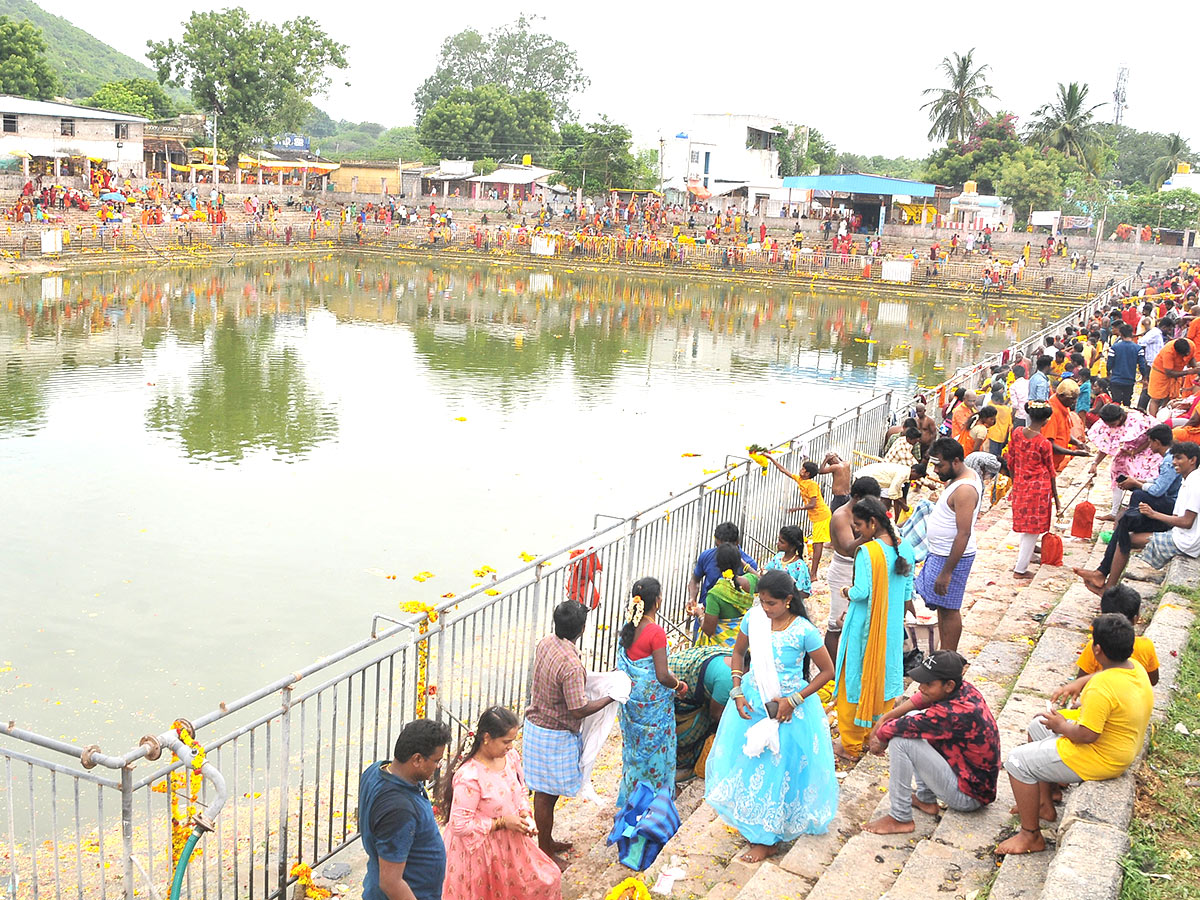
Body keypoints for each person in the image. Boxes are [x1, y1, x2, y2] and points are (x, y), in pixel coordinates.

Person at [704, 569, 839, 862]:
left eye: (771, 604)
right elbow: (738, 654)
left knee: (779, 768)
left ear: (788, 600)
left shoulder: (803, 630)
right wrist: (737, 690)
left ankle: (768, 838)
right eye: (762, 602)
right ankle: (757, 826)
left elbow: (827, 671)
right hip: (754, 699)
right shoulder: (754, 618)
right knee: (752, 762)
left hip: (789, 707)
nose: (765, 608)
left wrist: (794, 700)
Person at [996, 614, 1154, 855]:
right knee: (1038, 724)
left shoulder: (1101, 688)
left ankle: (1030, 835)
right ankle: (1044, 802)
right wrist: (1078, 685)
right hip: (1120, 743)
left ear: (1097, 649)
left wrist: (1061, 726)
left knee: (1016, 762)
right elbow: (1107, 676)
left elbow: (1087, 734)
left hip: (1102, 757)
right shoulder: (1136, 667)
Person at [863, 650, 1000, 834]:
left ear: (949, 685)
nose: (921, 688)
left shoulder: (952, 714)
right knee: (910, 717)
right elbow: (919, 701)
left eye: (928, 684)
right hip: (968, 779)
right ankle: (926, 800)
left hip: (968, 796)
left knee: (900, 741)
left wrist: (880, 737)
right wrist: (886, 716)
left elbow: (896, 729)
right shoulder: (965, 689)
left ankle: (900, 817)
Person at [524, 601, 617, 858]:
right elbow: (578, 709)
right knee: (546, 795)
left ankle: (546, 840)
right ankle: (544, 849)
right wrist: (610, 697)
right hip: (554, 732)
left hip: (537, 725)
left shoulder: (546, 643)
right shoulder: (572, 665)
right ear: (582, 629)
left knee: (545, 794)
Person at [440, 707, 560, 900]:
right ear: (486, 738)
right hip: (480, 853)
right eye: (506, 741)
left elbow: (520, 789)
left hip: (511, 844)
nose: (511, 746)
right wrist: (502, 822)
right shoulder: (469, 777)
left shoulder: (510, 758)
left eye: (512, 740)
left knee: (547, 880)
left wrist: (524, 814)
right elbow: (460, 825)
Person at [832, 497, 915, 760]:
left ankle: (851, 744)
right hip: (890, 626)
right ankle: (874, 735)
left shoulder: (868, 552)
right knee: (884, 677)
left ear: (873, 522)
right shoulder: (907, 549)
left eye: (859, 525)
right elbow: (907, 591)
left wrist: (844, 590)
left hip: (864, 626)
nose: (857, 530)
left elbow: (861, 592)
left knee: (853, 678)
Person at [1080, 441, 1200, 593]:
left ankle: (1108, 585)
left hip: (1186, 540)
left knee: (1125, 539)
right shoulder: (1187, 480)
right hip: (1178, 531)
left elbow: (1187, 522)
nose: (1174, 462)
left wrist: (1153, 514)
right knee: (1125, 525)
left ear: (1192, 460)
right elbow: (1177, 516)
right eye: (1174, 458)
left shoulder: (1195, 484)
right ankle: (1103, 577)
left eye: (1179, 458)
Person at [358, 719, 452, 900]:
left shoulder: (377, 769)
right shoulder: (399, 810)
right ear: (416, 759)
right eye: (436, 760)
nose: (438, 766)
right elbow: (391, 883)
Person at [617, 577, 687, 807]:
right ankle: (655, 801)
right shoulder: (655, 632)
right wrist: (680, 686)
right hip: (654, 707)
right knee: (657, 751)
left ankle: (633, 795)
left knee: (635, 750)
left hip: (633, 705)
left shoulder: (629, 629)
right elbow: (662, 675)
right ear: (657, 602)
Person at [915, 439, 981, 652]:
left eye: (940, 465)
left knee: (950, 609)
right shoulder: (956, 478)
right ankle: (943, 653)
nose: (936, 470)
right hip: (940, 553)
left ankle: (950, 657)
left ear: (955, 462)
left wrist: (947, 572)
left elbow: (964, 532)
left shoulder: (965, 490)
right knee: (943, 608)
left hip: (951, 557)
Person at [1061, 585, 1159, 695]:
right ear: (1136, 618)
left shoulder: (1095, 647)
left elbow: (1081, 684)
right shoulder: (1146, 646)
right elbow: (1153, 680)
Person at [825, 476, 882, 661]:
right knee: (837, 622)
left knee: (858, 620)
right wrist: (867, 533)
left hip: (860, 569)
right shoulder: (842, 516)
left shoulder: (861, 513)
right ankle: (833, 671)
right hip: (843, 570)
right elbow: (849, 548)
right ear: (856, 496)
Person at [1006, 402, 1063, 578]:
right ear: (1046, 421)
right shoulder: (1043, 443)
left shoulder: (1016, 434)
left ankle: (1028, 556)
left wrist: (1015, 481)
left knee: (1026, 526)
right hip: (1039, 490)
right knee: (1033, 529)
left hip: (1021, 485)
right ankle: (1020, 569)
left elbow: (1011, 460)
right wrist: (1056, 498)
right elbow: (1051, 471)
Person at [1087, 403, 1162, 520]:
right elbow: (1106, 445)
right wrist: (1095, 463)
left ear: (1120, 418)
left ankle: (1142, 508)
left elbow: (1150, 438)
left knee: (1139, 474)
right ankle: (1114, 512)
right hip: (1130, 449)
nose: (1111, 428)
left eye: (1112, 424)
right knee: (1117, 470)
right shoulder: (1109, 426)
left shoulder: (1138, 420)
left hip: (1149, 449)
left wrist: (1136, 451)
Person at [688, 542, 758, 646]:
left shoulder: (715, 594)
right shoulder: (750, 581)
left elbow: (709, 630)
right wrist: (745, 565)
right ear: (739, 563)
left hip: (720, 647)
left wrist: (700, 614)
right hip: (743, 644)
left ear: (718, 565)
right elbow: (761, 579)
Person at [771, 457, 832, 574]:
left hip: (821, 516)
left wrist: (797, 509)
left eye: (803, 469)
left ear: (807, 473)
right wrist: (770, 458)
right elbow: (784, 470)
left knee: (817, 544)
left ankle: (813, 573)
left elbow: (813, 504)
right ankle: (813, 571)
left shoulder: (812, 485)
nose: (801, 470)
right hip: (816, 517)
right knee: (816, 543)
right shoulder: (800, 480)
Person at [687, 522, 758, 612]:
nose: (719, 551)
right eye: (717, 546)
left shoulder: (749, 565)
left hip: (730, 621)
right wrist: (692, 598)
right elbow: (695, 580)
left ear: (736, 542)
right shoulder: (706, 556)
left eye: (722, 547)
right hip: (705, 613)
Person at [1146, 337, 1199, 416]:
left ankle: (1164, 417)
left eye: (1188, 352)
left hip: (1177, 374)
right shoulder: (1168, 352)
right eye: (1184, 355)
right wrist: (1188, 372)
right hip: (1161, 373)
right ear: (1177, 352)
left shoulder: (1191, 345)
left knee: (1171, 399)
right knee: (1156, 399)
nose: (1186, 355)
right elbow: (1169, 373)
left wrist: (1196, 369)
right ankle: (1153, 420)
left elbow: (1191, 359)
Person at [764, 524, 812, 599]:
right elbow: (766, 571)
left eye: (782, 542)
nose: (778, 544)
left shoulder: (800, 566)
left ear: (792, 547)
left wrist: (790, 589)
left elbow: (806, 593)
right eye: (778, 540)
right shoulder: (778, 557)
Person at [1106, 324, 1144, 406]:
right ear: (1131, 334)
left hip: (1116, 379)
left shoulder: (1114, 348)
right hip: (1129, 380)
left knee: (1116, 402)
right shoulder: (1138, 349)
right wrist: (1144, 377)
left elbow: (1109, 363)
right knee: (1127, 403)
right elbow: (1142, 365)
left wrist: (1108, 372)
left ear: (1121, 334)